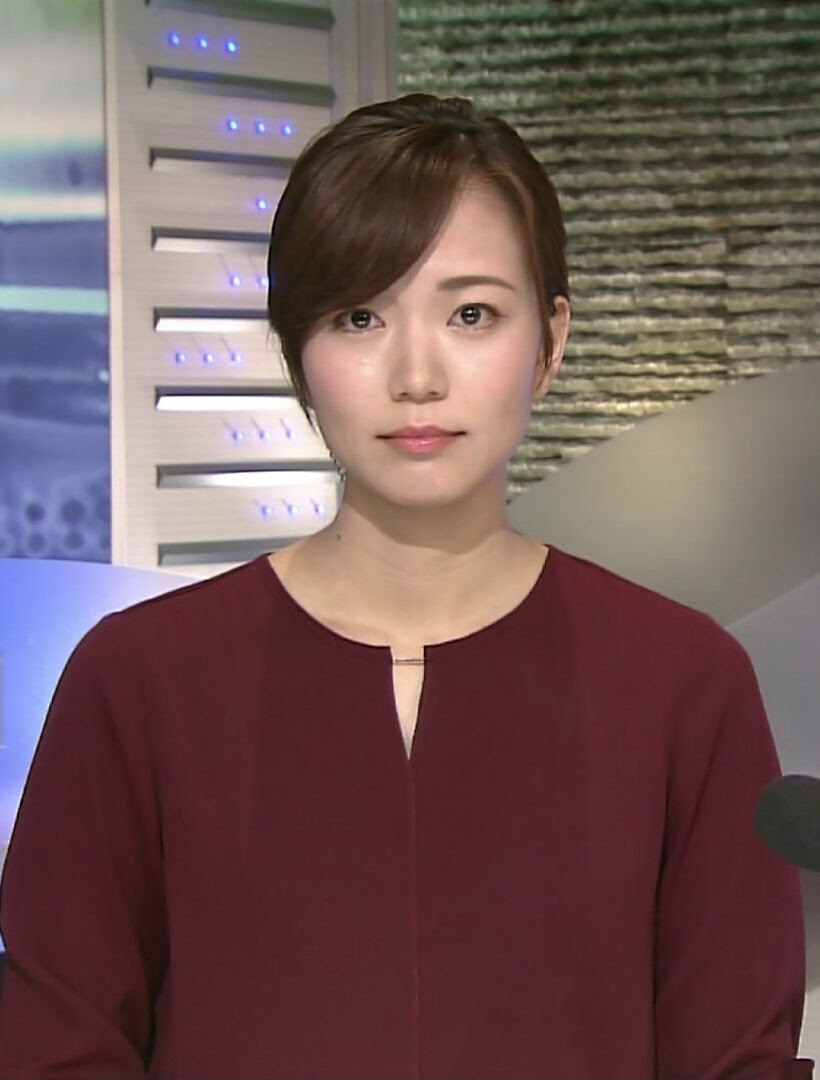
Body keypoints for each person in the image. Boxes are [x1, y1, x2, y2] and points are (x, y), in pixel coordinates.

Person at [0, 93, 812, 1080]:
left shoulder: (685, 685)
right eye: (360, 317)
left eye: (471, 314)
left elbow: (733, 1058)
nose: (416, 374)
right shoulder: (138, 681)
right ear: (297, 351)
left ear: (550, 341)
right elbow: (56, 1044)